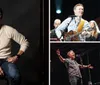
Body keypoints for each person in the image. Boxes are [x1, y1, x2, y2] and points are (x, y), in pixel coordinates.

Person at [0, 8, 29, 85]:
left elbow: (24, 42)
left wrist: (17, 56)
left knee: (15, 76)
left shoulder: (8, 30)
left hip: (5, 61)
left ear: (0, 17)